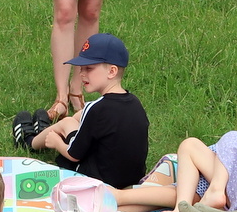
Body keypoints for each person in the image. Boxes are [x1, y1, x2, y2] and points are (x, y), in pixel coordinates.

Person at [14, 33, 148, 189]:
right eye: (81, 68)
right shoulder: (135, 103)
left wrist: (57, 143)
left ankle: (30, 142)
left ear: (111, 71)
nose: (81, 73)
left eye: (89, 68)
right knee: (76, 118)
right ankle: (46, 132)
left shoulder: (97, 109)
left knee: (67, 122)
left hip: (96, 182)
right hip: (130, 181)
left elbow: (74, 154)